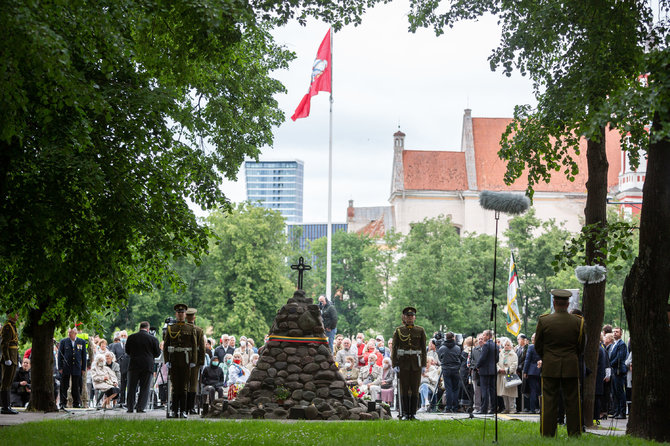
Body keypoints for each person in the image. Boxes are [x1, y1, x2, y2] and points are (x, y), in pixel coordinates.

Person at [534, 289, 586, 437]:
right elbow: (581, 346)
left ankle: (548, 433)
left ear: (554, 302)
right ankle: (575, 433)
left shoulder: (544, 321)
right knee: (573, 402)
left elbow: (538, 345)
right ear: (568, 304)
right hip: (571, 366)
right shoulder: (578, 321)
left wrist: (548, 357)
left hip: (550, 366)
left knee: (549, 402)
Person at [391, 306, 427, 420]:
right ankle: (406, 413)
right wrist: (394, 364)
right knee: (404, 388)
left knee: (415, 388)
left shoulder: (420, 330)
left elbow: (423, 349)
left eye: (412, 316)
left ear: (414, 318)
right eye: (408, 316)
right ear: (404, 318)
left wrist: (424, 365)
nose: (410, 318)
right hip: (403, 363)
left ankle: (413, 413)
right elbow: (394, 348)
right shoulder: (399, 330)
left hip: (416, 363)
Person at [163, 303, 197, 418]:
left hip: (186, 360)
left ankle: (183, 410)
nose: (181, 315)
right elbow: (166, 346)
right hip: (174, 360)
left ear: (185, 314)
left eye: (182, 313)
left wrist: (193, 360)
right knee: (175, 387)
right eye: (179, 313)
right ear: (175, 314)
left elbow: (194, 345)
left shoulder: (190, 328)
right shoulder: (170, 328)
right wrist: (167, 360)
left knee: (184, 387)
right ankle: (174, 410)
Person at [125, 321, 161, 413]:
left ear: (139, 327)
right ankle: (141, 407)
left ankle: (130, 407)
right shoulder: (153, 339)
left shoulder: (131, 337)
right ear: (148, 329)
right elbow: (157, 354)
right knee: (145, 387)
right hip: (147, 365)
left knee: (131, 387)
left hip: (134, 365)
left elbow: (127, 351)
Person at [58, 327, 88, 409]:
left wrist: (83, 368)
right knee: (64, 386)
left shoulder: (81, 342)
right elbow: (60, 355)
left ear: (75, 333)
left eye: (70, 332)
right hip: (66, 367)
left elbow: (84, 356)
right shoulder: (64, 342)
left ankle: (76, 403)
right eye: (68, 332)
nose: (69, 334)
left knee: (76, 386)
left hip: (77, 367)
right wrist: (60, 367)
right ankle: (62, 403)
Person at [185, 308, 205, 415]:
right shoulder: (198, 330)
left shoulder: (181, 329)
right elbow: (202, 348)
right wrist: (201, 362)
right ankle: (191, 407)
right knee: (193, 384)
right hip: (195, 361)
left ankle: (183, 406)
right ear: (194, 317)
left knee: (183, 383)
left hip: (183, 360)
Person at [438, 331, 462, 413]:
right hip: (455, 370)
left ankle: (448, 407)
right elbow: (460, 357)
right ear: (453, 338)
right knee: (455, 389)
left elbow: (440, 358)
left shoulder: (442, 348)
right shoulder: (457, 348)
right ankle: (455, 407)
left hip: (446, 369)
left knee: (448, 389)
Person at [475, 329, 498, 414]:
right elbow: (497, 359)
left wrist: (478, 366)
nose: (483, 336)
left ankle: (484, 409)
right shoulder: (495, 345)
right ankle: (493, 409)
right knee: (492, 390)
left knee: (484, 390)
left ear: (488, 336)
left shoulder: (486, 345)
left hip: (485, 371)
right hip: (493, 370)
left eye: (484, 335)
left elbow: (482, 358)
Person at [1, 312, 20, 414]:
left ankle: (7, 405)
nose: (18, 315)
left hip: (13, 357)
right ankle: (5, 407)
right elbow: (4, 344)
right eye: (16, 314)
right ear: (10, 315)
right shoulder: (7, 327)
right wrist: (6, 358)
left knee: (9, 383)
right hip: (9, 358)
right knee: (5, 383)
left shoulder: (12, 326)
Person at [609, 327, 628, 419]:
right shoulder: (613, 344)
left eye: (617, 332)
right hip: (613, 370)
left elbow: (619, 357)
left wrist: (610, 364)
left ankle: (622, 412)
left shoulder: (622, 344)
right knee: (615, 392)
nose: (615, 333)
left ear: (621, 334)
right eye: (613, 332)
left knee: (620, 392)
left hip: (618, 371)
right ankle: (616, 411)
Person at [496, 338, 519, 413]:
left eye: (508, 345)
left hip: (510, 375)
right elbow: (497, 363)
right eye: (505, 345)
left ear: (511, 346)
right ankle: (506, 408)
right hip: (501, 376)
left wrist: (506, 370)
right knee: (504, 393)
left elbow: (514, 365)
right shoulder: (501, 354)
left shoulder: (514, 354)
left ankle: (512, 409)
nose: (506, 346)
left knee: (511, 393)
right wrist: (499, 369)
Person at [523, 333, 541, 414]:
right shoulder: (543, 346)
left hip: (532, 371)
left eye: (533, 338)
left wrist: (525, 371)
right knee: (540, 391)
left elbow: (527, 360)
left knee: (533, 391)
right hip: (541, 370)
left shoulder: (531, 347)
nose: (532, 339)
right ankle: (540, 408)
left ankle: (532, 409)